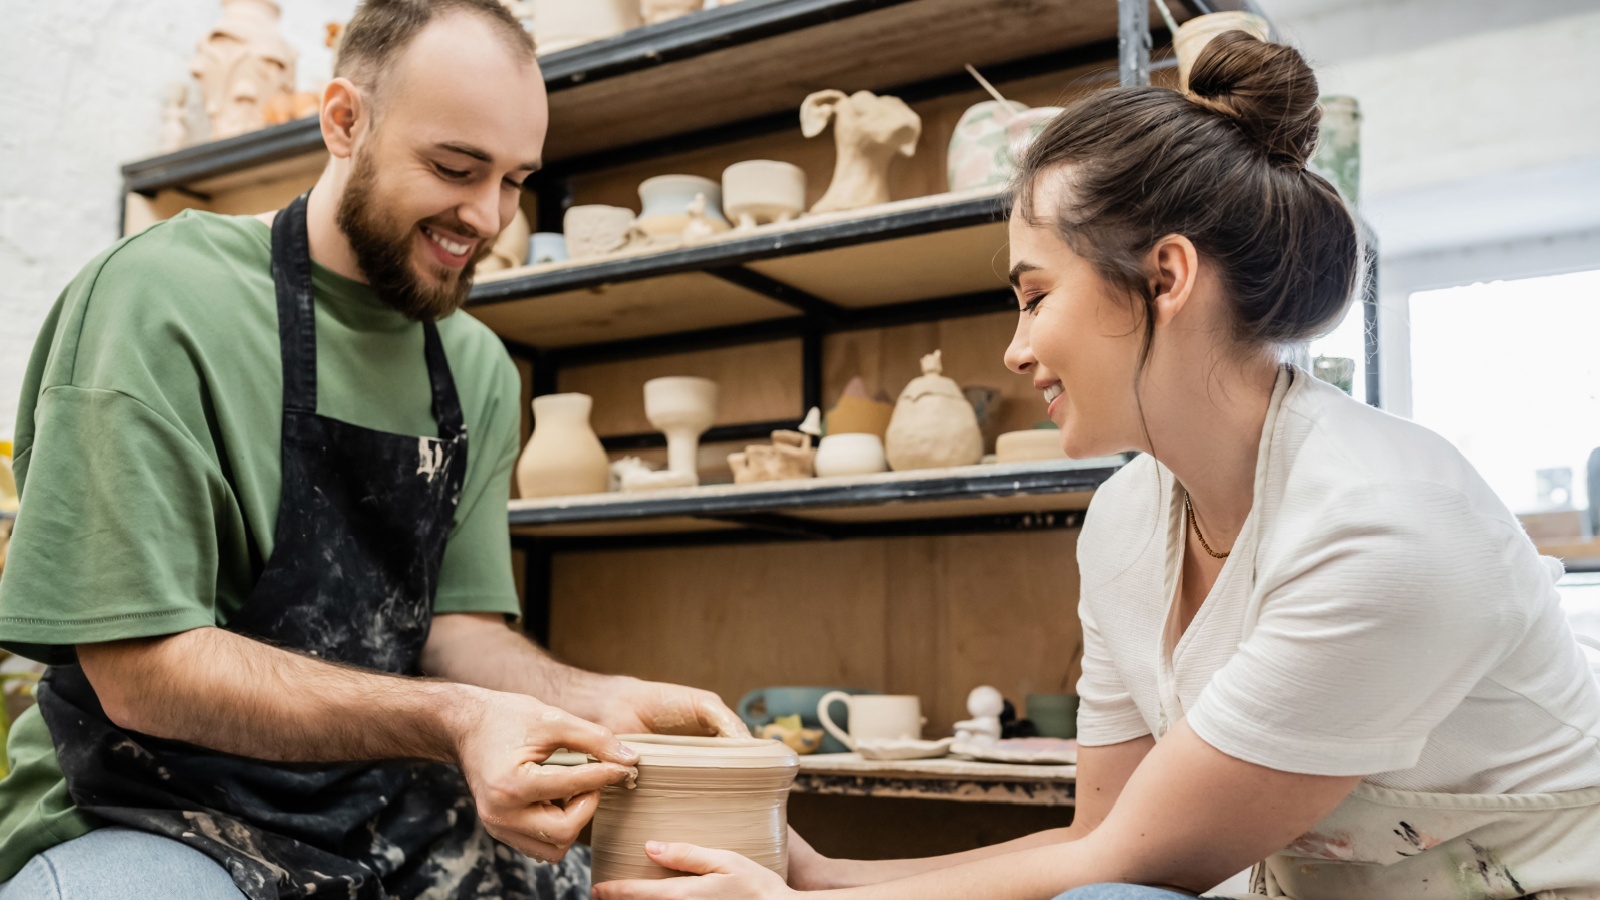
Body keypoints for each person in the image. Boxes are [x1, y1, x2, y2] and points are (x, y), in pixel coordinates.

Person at [588, 31, 1600, 900]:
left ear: (1164, 278)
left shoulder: (1385, 526)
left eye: (1035, 296)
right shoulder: (1124, 521)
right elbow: (1094, 846)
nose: (1015, 348)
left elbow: (1133, 862)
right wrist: (815, 873)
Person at [0, 2, 746, 898]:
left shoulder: (476, 366)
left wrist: (587, 698)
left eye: (515, 180)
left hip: (386, 804)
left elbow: (458, 633)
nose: (488, 216)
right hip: (146, 807)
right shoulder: (162, 298)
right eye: (455, 168)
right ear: (345, 120)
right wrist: (458, 719)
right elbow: (142, 675)